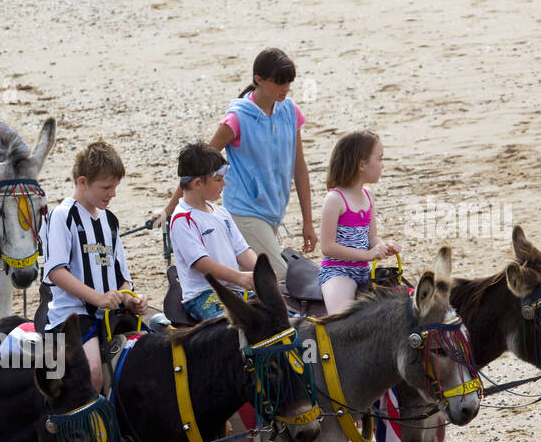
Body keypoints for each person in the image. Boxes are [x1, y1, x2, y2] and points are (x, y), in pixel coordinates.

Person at [158, 47, 316, 276]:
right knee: (279, 277)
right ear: (258, 80)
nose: (286, 88)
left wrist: (308, 222)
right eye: (279, 82)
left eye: (289, 82)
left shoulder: (291, 112)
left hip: (273, 211)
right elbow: (195, 166)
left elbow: (299, 168)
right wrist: (169, 210)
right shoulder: (236, 119)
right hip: (244, 211)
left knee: (253, 281)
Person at [41, 140, 145, 391]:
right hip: (73, 315)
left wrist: (128, 298)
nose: (112, 193)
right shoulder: (62, 216)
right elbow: (56, 272)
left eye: (115, 186)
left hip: (110, 314)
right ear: (82, 182)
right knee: (94, 373)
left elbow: (122, 276)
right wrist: (97, 298)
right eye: (106, 187)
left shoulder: (110, 220)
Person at [168, 143, 257, 321]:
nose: (224, 183)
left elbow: (242, 251)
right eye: (218, 179)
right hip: (203, 295)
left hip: (233, 289)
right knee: (233, 327)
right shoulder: (182, 219)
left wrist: (262, 271)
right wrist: (239, 277)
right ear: (197, 183)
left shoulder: (221, 213)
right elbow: (200, 262)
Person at [318, 130, 396, 314]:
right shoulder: (335, 199)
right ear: (362, 164)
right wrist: (368, 255)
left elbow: (372, 237)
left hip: (363, 270)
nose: (382, 165)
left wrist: (383, 247)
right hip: (338, 272)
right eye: (379, 159)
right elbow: (327, 247)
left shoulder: (368, 196)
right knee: (342, 321)